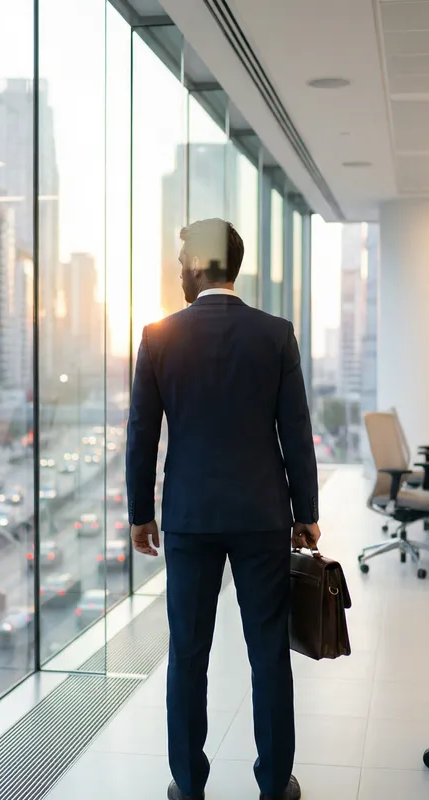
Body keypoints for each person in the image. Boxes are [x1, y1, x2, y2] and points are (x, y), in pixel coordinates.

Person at [126, 218, 321, 800]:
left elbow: (143, 433)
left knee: (187, 654)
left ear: (197, 267)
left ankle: (188, 784)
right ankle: (273, 784)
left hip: (189, 518)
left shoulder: (159, 336)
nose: (178, 269)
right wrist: (305, 510)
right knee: (268, 655)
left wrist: (142, 512)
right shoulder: (275, 334)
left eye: (181, 259)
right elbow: (298, 432)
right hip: (263, 514)